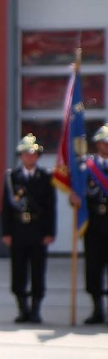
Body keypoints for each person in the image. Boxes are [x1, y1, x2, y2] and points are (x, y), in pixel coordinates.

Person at [1, 134, 56, 324]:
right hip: (18, 230)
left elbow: (50, 207)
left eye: (33, 154)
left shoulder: (45, 177)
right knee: (18, 270)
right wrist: (6, 232)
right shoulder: (12, 177)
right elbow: (6, 208)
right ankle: (22, 309)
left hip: (38, 229)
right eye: (26, 154)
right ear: (20, 156)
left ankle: (35, 310)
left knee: (38, 270)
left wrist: (50, 232)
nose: (29, 157)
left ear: (38, 156)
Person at [73, 125, 108, 324]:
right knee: (93, 269)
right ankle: (97, 310)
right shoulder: (86, 168)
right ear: (97, 144)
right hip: (93, 227)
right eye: (103, 142)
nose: (106, 146)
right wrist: (74, 199)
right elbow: (79, 193)